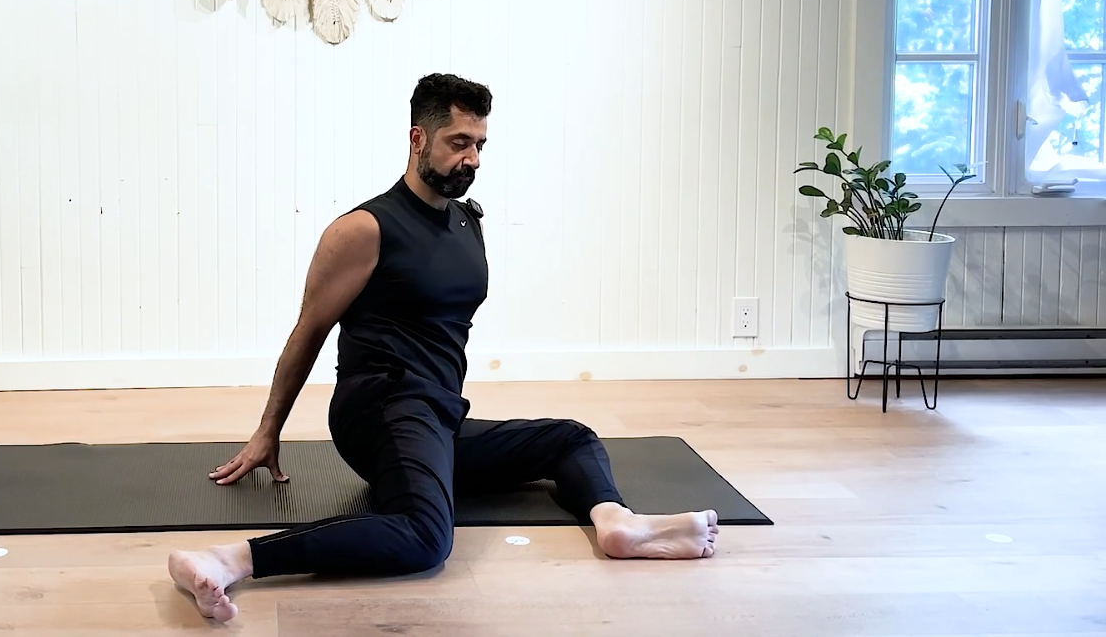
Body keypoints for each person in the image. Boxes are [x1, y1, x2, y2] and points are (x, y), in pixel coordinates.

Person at [167, 73, 718, 622]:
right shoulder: (364, 229)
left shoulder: (467, 222)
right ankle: (229, 559)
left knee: (571, 438)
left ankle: (616, 522)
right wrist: (268, 431)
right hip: (381, 407)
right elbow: (307, 333)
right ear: (418, 139)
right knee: (426, 536)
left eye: (479, 144)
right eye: (458, 143)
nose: (471, 159)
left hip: (439, 413)